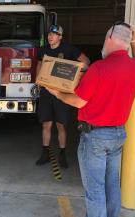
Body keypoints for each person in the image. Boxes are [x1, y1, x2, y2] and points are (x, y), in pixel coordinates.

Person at [46, 23, 135, 217]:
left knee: (95, 191)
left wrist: (58, 93)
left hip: (95, 138)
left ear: (110, 38)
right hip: (118, 135)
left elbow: (78, 101)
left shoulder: (99, 68)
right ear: (127, 42)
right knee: (112, 187)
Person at [35, 25, 90, 168]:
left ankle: (62, 154)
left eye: (54, 34)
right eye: (49, 34)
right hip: (46, 92)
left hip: (62, 94)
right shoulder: (43, 50)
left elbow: (86, 63)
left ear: (60, 37)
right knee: (46, 124)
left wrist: (70, 68)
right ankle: (45, 152)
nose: (50, 36)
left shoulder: (69, 49)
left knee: (61, 125)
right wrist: (37, 80)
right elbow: (39, 65)